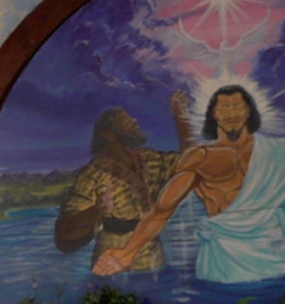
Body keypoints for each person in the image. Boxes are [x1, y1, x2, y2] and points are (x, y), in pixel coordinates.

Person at [93, 84, 285, 282]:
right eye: (223, 107)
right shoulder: (201, 158)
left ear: (249, 111)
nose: (231, 112)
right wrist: (128, 252)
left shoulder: (280, 152)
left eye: (237, 105)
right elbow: (163, 208)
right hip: (222, 272)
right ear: (214, 115)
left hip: (278, 266)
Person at [55, 95, 190, 272]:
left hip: (154, 260)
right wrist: (96, 210)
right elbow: (65, 234)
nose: (134, 121)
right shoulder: (93, 175)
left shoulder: (147, 159)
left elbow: (190, 164)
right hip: (112, 263)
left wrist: (181, 119)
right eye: (125, 119)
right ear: (108, 133)